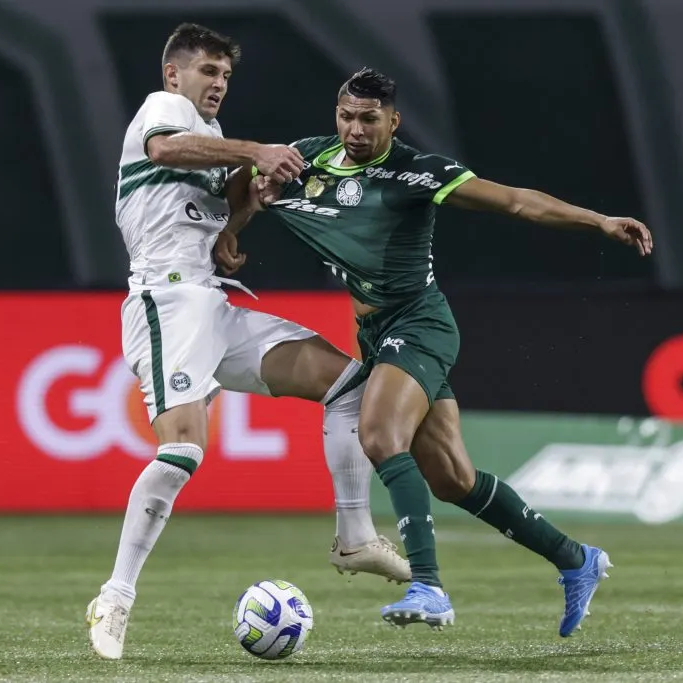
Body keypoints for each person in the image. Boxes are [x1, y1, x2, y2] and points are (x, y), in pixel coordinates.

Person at [216, 67, 653, 636]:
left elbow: (516, 202)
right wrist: (234, 228)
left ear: (393, 121)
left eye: (369, 120)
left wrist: (597, 221)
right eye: (346, 116)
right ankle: (576, 559)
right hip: (374, 332)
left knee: (377, 435)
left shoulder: (417, 173)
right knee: (452, 478)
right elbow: (248, 182)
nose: (355, 129)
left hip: (419, 323)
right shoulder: (306, 159)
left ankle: (428, 585)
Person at [86, 28, 409, 660]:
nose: (217, 83)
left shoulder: (210, 139)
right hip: (166, 302)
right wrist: (254, 151)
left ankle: (354, 535)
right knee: (182, 450)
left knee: (349, 383)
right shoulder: (165, 110)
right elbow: (165, 150)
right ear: (173, 74)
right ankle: (116, 597)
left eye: (225, 76)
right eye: (207, 70)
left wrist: (245, 209)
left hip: (210, 298)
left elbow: (218, 213)